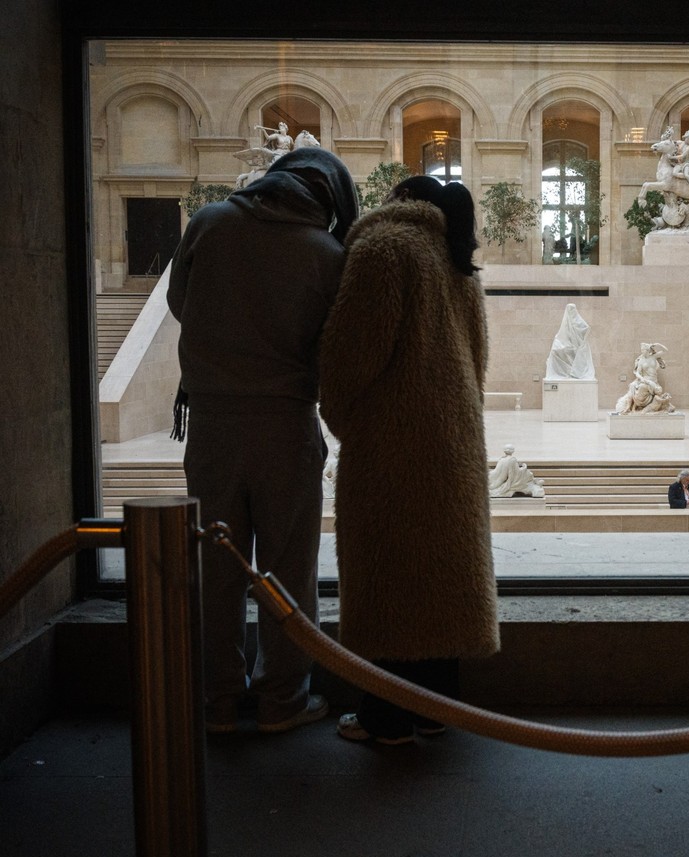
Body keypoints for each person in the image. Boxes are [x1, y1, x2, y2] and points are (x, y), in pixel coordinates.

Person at [167, 146, 359, 734]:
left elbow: (180, 302)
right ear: (328, 199)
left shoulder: (209, 223)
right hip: (285, 427)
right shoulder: (327, 254)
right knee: (288, 570)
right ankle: (284, 700)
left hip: (212, 424)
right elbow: (330, 342)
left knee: (215, 569)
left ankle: (219, 701)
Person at [319, 175, 500, 745]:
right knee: (439, 578)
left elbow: (349, 354)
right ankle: (435, 707)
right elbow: (479, 360)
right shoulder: (457, 262)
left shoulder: (382, 250)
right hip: (454, 443)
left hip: (393, 445)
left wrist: (347, 422)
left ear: (396, 200)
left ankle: (385, 717)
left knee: (388, 576)